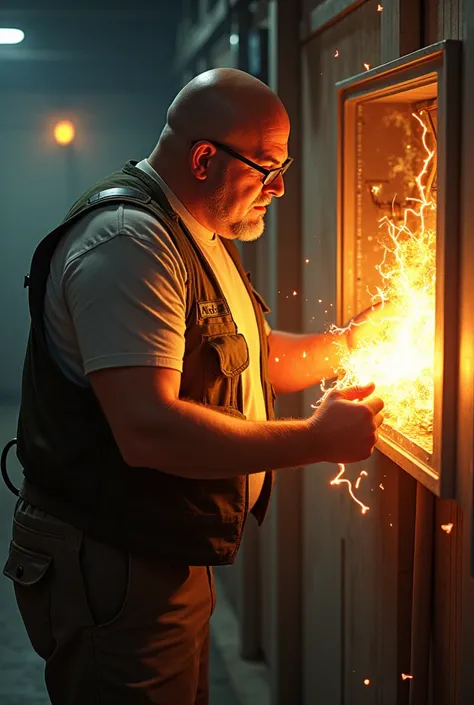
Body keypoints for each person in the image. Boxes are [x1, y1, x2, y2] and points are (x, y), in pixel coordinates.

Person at [2, 68, 384, 705]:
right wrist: (315, 440)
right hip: (116, 558)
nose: (279, 187)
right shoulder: (130, 243)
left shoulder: (194, 230)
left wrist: (347, 345)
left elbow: (249, 362)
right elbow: (148, 431)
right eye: (267, 167)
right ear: (205, 158)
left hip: (157, 546)